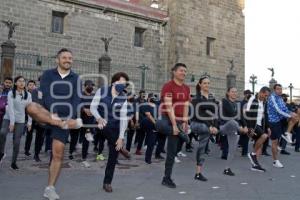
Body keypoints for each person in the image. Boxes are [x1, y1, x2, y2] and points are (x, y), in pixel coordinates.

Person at [41, 48, 82, 200]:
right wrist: (54, 113)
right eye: (64, 57)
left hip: (64, 121)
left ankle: (50, 188)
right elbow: (46, 94)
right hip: (46, 114)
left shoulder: (76, 78)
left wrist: (70, 117)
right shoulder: (47, 75)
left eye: (70, 58)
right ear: (57, 59)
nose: (67, 60)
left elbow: (76, 99)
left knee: (57, 153)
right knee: (32, 108)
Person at [90, 72, 129, 193]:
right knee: (103, 125)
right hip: (101, 123)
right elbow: (93, 107)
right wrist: (99, 117)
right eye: (120, 82)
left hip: (115, 127)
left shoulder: (123, 98)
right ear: (114, 82)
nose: (122, 85)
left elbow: (123, 118)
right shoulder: (102, 91)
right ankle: (120, 147)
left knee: (113, 156)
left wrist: (121, 138)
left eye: (124, 84)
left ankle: (107, 183)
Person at [159, 63, 190, 188]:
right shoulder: (168, 86)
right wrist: (174, 125)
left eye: (185, 71)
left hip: (179, 120)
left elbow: (186, 106)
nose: (184, 73)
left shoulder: (187, 88)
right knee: (160, 126)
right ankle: (181, 134)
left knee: (171, 152)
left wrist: (185, 122)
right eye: (181, 70)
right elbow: (168, 106)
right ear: (174, 72)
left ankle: (166, 178)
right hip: (167, 118)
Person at [0, 76, 32, 170]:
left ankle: (13, 162)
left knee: (17, 142)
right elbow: (10, 108)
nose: (22, 83)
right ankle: (1, 152)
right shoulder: (11, 93)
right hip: (8, 117)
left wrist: (29, 122)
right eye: (19, 81)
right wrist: (12, 123)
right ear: (15, 83)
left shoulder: (28, 95)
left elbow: (29, 109)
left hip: (20, 120)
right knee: (2, 133)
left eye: (23, 81)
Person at [190, 75, 218, 181]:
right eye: (205, 83)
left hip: (208, 126)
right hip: (197, 124)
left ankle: (198, 173)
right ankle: (187, 138)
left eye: (208, 83)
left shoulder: (211, 98)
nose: (207, 85)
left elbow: (216, 114)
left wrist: (214, 126)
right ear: (200, 84)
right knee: (206, 132)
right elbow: (197, 114)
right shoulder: (196, 98)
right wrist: (209, 126)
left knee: (202, 148)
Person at [267, 84, 298, 168]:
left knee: (296, 115)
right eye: (278, 89)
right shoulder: (272, 97)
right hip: (274, 121)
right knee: (275, 142)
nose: (280, 90)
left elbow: (284, 108)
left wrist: (291, 113)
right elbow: (277, 110)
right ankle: (275, 161)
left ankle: (287, 133)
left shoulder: (280, 98)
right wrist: (289, 115)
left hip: (281, 119)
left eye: (281, 89)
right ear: (274, 90)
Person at [219, 87, 248, 176]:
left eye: (236, 92)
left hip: (233, 129)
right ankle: (240, 129)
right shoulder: (224, 101)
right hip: (224, 126)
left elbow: (242, 117)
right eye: (232, 92)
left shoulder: (237, 104)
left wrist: (246, 126)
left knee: (232, 149)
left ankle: (227, 169)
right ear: (228, 93)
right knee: (232, 121)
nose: (234, 93)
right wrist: (241, 128)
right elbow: (232, 114)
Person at [245, 86, 271, 172]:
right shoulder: (253, 99)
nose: (266, 97)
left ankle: (255, 165)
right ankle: (252, 154)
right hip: (253, 125)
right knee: (264, 136)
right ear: (261, 92)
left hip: (260, 125)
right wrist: (250, 128)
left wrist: (268, 127)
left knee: (260, 145)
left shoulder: (263, 102)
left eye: (267, 96)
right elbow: (247, 114)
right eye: (265, 95)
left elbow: (264, 116)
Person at [140, 93, 158, 164]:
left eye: (154, 98)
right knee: (149, 140)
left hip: (154, 125)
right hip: (147, 124)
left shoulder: (156, 106)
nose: (153, 99)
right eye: (152, 98)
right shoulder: (145, 105)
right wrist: (155, 124)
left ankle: (148, 157)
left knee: (152, 142)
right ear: (148, 98)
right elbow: (148, 115)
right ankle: (147, 158)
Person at [24, 80, 37, 157]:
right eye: (30, 85)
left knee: (38, 135)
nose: (31, 86)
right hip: (27, 116)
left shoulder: (37, 94)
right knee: (29, 134)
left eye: (33, 85)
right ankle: (27, 150)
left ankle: (36, 151)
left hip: (36, 117)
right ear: (27, 86)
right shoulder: (25, 94)